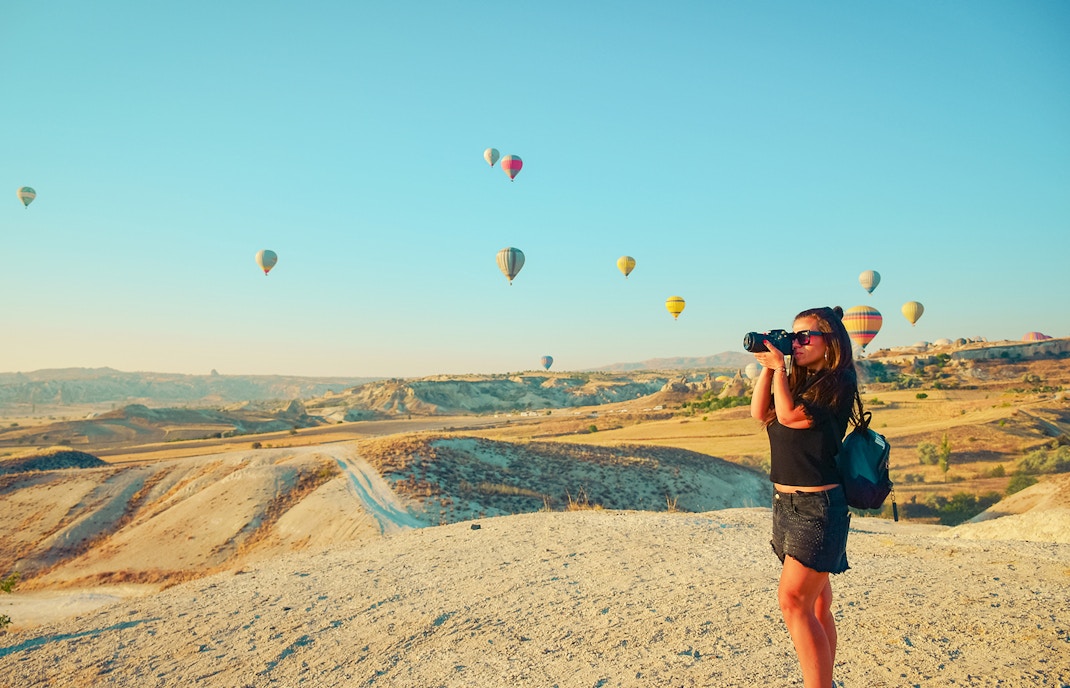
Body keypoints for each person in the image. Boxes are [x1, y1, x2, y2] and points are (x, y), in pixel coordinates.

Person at [749, 306, 865, 688]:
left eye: (804, 337)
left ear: (829, 341)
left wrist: (781, 368)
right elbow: (759, 412)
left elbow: (789, 417)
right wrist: (769, 365)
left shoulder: (837, 381)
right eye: (792, 337)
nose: (796, 343)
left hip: (818, 509)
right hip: (786, 506)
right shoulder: (797, 380)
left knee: (793, 603)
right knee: (815, 604)